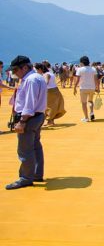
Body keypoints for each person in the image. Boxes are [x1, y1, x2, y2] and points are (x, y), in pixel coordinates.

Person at [6, 55, 47, 190]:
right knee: (35, 146)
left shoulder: (30, 80)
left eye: (16, 70)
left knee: (25, 149)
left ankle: (26, 177)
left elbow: (29, 103)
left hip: (29, 117)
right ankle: (36, 173)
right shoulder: (38, 77)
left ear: (24, 67)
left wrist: (22, 121)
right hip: (38, 115)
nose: (14, 73)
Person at [35, 62, 66, 127]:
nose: (36, 71)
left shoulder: (46, 74)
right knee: (54, 106)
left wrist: (40, 89)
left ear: (40, 69)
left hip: (50, 91)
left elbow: (46, 82)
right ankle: (51, 121)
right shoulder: (50, 73)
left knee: (49, 107)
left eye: (36, 70)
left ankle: (50, 121)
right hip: (55, 90)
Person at [74, 56, 100, 122]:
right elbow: (96, 79)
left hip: (83, 88)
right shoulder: (93, 69)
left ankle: (86, 118)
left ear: (82, 62)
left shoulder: (80, 69)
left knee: (84, 103)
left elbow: (77, 80)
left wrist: (74, 87)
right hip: (92, 88)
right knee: (90, 101)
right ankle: (91, 112)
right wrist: (97, 88)